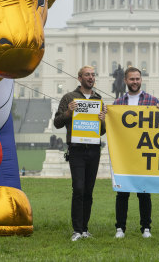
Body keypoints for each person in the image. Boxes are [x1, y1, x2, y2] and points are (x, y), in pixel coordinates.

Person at [53, 65, 107, 242]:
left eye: (93, 75)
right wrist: (69, 111)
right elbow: (57, 123)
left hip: (93, 149)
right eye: (87, 75)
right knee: (78, 188)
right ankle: (76, 229)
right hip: (76, 149)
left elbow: (102, 131)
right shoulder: (69, 97)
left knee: (89, 191)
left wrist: (103, 121)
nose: (91, 77)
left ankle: (84, 229)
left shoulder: (98, 99)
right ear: (79, 78)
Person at [113, 66, 159, 239]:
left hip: (143, 154)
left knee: (144, 192)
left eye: (137, 79)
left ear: (141, 80)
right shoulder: (118, 104)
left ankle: (146, 228)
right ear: (125, 81)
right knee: (122, 193)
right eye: (131, 79)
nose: (135, 82)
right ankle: (120, 228)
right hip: (125, 155)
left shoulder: (151, 100)